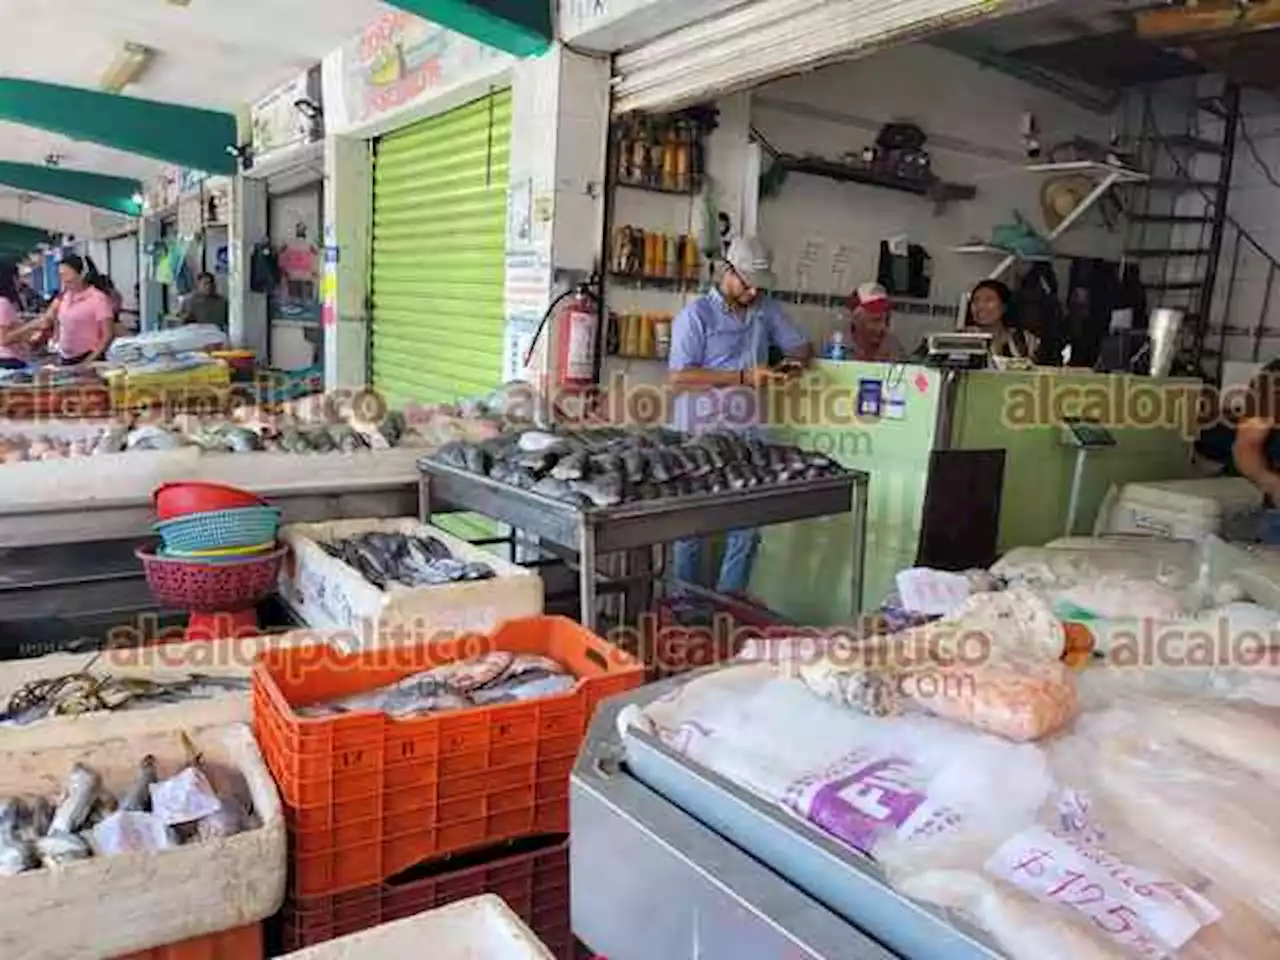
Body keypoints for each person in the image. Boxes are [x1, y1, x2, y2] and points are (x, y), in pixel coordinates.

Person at [667, 235, 812, 597]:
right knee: (692, 529)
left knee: (747, 527)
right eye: (747, 285)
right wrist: (744, 377)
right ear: (726, 272)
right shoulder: (696, 315)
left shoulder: (766, 308)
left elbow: (800, 346)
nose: (752, 293)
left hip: (749, 433)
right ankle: (685, 607)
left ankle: (727, 607)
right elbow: (680, 377)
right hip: (699, 435)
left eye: (758, 287)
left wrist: (789, 366)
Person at [32, 254, 116, 366]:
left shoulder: (98, 299)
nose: (64, 279)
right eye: (61, 275)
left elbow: (107, 336)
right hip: (66, 359)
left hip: (90, 358)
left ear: (82, 274)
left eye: (67, 275)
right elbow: (50, 319)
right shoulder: (64, 297)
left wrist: (88, 362)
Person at [965, 279, 1035, 359]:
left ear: (1004, 306)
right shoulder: (963, 338)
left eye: (989, 300)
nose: (980, 306)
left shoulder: (1024, 339)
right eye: (975, 301)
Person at [0, 259, 45, 370]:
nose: (20, 281)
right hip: (9, 361)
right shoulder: (3, 303)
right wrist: (32, 325)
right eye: (17, 277)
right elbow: (3, 339)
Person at [847, 281, 905, 361]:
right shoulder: (840, 346)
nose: (883, 327)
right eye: (876, 321)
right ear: (856, 320)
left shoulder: (891, 344)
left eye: (887, 320)